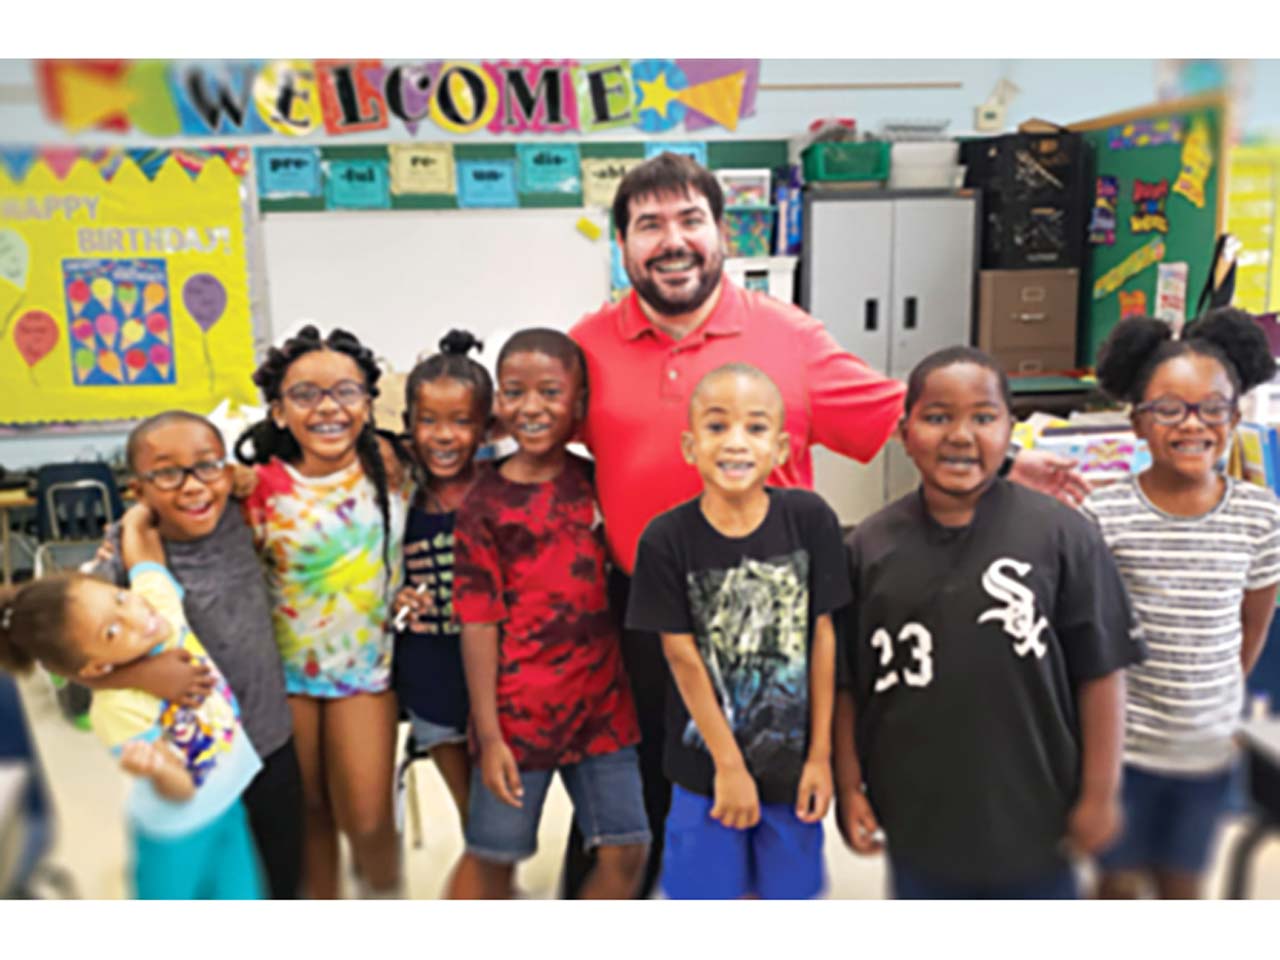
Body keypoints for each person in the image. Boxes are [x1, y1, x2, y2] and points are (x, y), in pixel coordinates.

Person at [562, 151, 1090, 897]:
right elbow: (537, 433)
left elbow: (899, 411)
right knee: (657, 801)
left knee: (778, 804)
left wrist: (1004, 463)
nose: (672, 240)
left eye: (691, 219)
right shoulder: (588, 345)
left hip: (777, 623)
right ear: (622, 246)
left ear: (722, 235)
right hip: (647, 617)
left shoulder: (789, 337)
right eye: (649, 225)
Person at [832, 345, 1144, 899]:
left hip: (1038, 816)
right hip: (916, 819)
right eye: (936, 417)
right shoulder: (867, 548)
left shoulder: (1064, 537)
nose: (959, 435)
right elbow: (847, 684)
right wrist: (850, 786)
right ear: (904, 433)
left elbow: (1102, 673)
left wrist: (1100, 792)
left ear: (1011, 430)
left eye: (983, 416)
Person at [627, 363, 847, 899]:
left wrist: (820, 757)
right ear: (689, 444)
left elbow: (824, 638)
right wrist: (728, 767)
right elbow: (681, 657)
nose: (736, 443)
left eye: (755, 427)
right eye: (717, 426)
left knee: (789, 900)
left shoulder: (810, 519)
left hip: (791, 769)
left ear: (782, 446)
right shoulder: (666, 538)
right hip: (705, 773)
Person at [1083, 309, 1280, 899]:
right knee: (1114, 886)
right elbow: (1094, 640)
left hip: (1207, 753)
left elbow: (1251, 629)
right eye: (1169, 408)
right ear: (1138, 423)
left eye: (1211, 407)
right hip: (1124, 752)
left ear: (1234, 416)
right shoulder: (1104, 516)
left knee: (1183, 887)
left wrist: (1214, 702)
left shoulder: (1259, 518)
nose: (1191, 424)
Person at [447, 328, 649, 900]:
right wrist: (489, 735)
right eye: (514, 392)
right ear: (497, 404)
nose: (531, 407)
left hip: (603, 709)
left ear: (579, 403)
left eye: (550, 392)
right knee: (492, 859)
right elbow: (478, 622)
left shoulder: (596, 480)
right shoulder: (483, 504)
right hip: (518, 717)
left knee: (628, 849)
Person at [85, 411, 301, 898]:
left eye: (207, 466)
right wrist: (141, 673)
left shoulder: (244, 516)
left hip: (269, 745)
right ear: (137, 489)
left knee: (283, 883)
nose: (192, 486)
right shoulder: (120, 564)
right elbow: (67, 680)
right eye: (166, 472)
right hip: (194, 768)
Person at [0, 502, 264, 899]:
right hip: (177, 833)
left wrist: (140, 512)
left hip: (228, 805)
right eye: (111, 632)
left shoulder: (161, 613)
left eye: (120, 599)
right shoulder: (118, 708)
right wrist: (157, 769)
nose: (138, 619)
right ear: (92, 668)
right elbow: (180, 788)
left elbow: (145, 562)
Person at [236, 325, 411, 899]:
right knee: (309, 813)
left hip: (365, 671)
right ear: (279, 412)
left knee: (367, 816)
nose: (328, 407)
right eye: (306, 394)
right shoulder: (260, 487)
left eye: (346, 391)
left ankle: (385, 901)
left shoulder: (393, 469)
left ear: (367, 402)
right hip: (284, 676)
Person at [392, 329, 493, 827]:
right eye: (428, 421)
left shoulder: (503, 489)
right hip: (431, 675)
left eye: (461, 422)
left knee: (503, 804)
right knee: (472, 810)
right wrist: (397, 598)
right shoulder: (397, 496)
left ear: (486, 428)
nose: (444, 435)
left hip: (500, 678)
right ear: (409, 425)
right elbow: (377, 574)